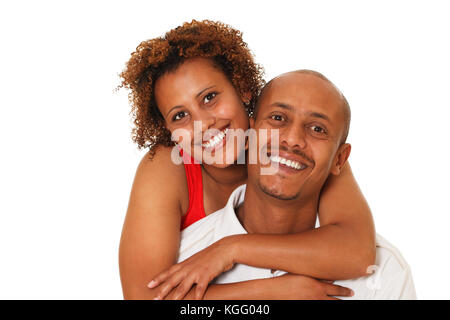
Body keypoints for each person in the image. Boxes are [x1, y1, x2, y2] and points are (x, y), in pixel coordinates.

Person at [118, 20, 376, 300]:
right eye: (180, 116)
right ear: (168, 131)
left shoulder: (296, 149)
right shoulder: (168, 168)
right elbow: (144, 297)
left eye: (210, 97)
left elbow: (357, 253)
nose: (202, 124)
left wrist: (231, 249)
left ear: (242, 88)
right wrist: (273, 292)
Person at [150, 70, 416, 299]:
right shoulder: (184, 263)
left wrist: (231, 249)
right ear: (249, 132)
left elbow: (357, 253)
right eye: (278, 118)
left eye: (318, 129)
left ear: (340, 159)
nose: (292, 139)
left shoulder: (385, 273)